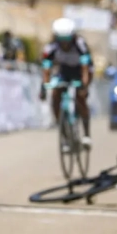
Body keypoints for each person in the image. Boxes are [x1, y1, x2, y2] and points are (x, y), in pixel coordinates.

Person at [39, 17, 92, 147]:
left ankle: (86, 134)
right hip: (64, 71)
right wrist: (44, 87)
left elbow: (86, 69)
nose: (64, 44)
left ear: (72, 36)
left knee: (81, 97)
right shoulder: (50, 47)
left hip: (81, 71)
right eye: (61, 40)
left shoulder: (80, 44)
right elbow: (46, 70)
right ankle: (65, 136)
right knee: (55, 97)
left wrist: (84, 86)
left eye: (67, 39)